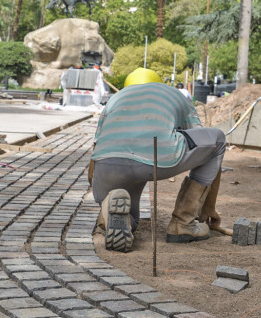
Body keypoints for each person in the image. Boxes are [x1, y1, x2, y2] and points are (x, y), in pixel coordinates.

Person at [89, 67, 227, 251]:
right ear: (158, 82)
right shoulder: (172, 93)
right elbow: (200, 140)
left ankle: (109, 212)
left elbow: (94, 154)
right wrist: (209, 207)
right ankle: (183, 222)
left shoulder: (115, 99)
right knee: (217, 140)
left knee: (132, 218)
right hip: (155, 158)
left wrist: (101, 190)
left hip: (107, 166)